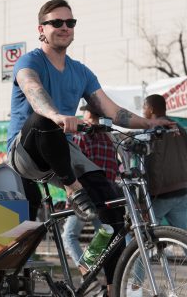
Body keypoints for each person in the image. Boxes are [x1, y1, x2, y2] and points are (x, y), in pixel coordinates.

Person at [6, 0, 175, 291]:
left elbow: (112, 111)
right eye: (56, 22)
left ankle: (106, 281)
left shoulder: (80, 72)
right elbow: (34, 92)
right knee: (44, 118)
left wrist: (149, 124)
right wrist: (57, 115)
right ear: (41, 30)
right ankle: (73, 190)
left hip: (63, 152)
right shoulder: (30, 61)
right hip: (26, 150)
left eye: (70, 23)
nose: (64, 28)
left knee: (113, 213)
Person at [61, 103, 118, 281]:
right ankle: (100, 272)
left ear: (88, 115)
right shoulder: (109, 138)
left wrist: (70, 194)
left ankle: (86, 270)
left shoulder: (82, 136)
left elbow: (75, 166)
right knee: (105, 236)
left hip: (85, 194)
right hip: (107, 194)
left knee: (69, 235)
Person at [142, 94, 187, 229]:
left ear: (151, 109)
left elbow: (149, 163)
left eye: (144, 107)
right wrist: (186, 184)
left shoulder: (152, 131)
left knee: (146, 232)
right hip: (181, 188)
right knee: (185, 237)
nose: (142, 110)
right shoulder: (180, 128)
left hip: (160, 192)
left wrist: (145, 197)